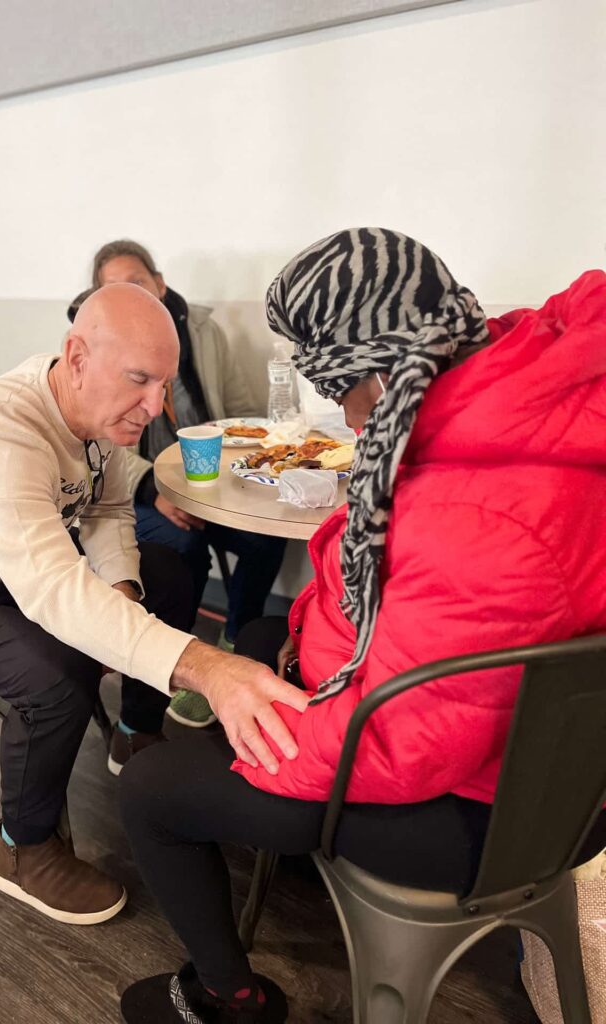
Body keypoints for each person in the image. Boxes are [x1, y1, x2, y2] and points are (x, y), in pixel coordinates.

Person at [117, 229, 606, 1023]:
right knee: (258, 637)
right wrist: (283, 666)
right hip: (519, 757)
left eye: (336, 390)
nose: (341, 413)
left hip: (493, 812)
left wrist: (265, 742)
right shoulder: (524, 417)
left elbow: (403, 746)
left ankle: (226, 998)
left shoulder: (480, 517)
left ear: (377, 377)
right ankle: (302, 861)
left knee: (150, 786)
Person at [0, 283, 308, 929]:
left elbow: (108, 499)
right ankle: (23, 848)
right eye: (140, 380)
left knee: (167, 574)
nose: (155, 407)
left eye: (164, 384)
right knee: (55, 671)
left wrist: (123, 589)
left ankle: (134, 733)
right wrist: (207, 666)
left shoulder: (87, 408)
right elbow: (56, 593)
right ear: (77, 356)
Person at [68, 240, 288, 728]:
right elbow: (103, 453)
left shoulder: (204, 334)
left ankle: (237, 642)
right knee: (181, 550)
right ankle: (179, 672)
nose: (131, 294)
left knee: (265, 533)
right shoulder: (97, 353)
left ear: (160, 284)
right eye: (114, 289)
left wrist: (240, 472)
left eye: (139, 282)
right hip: (137, 494)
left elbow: (239, 412)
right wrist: (155, 491)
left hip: (206, 484)